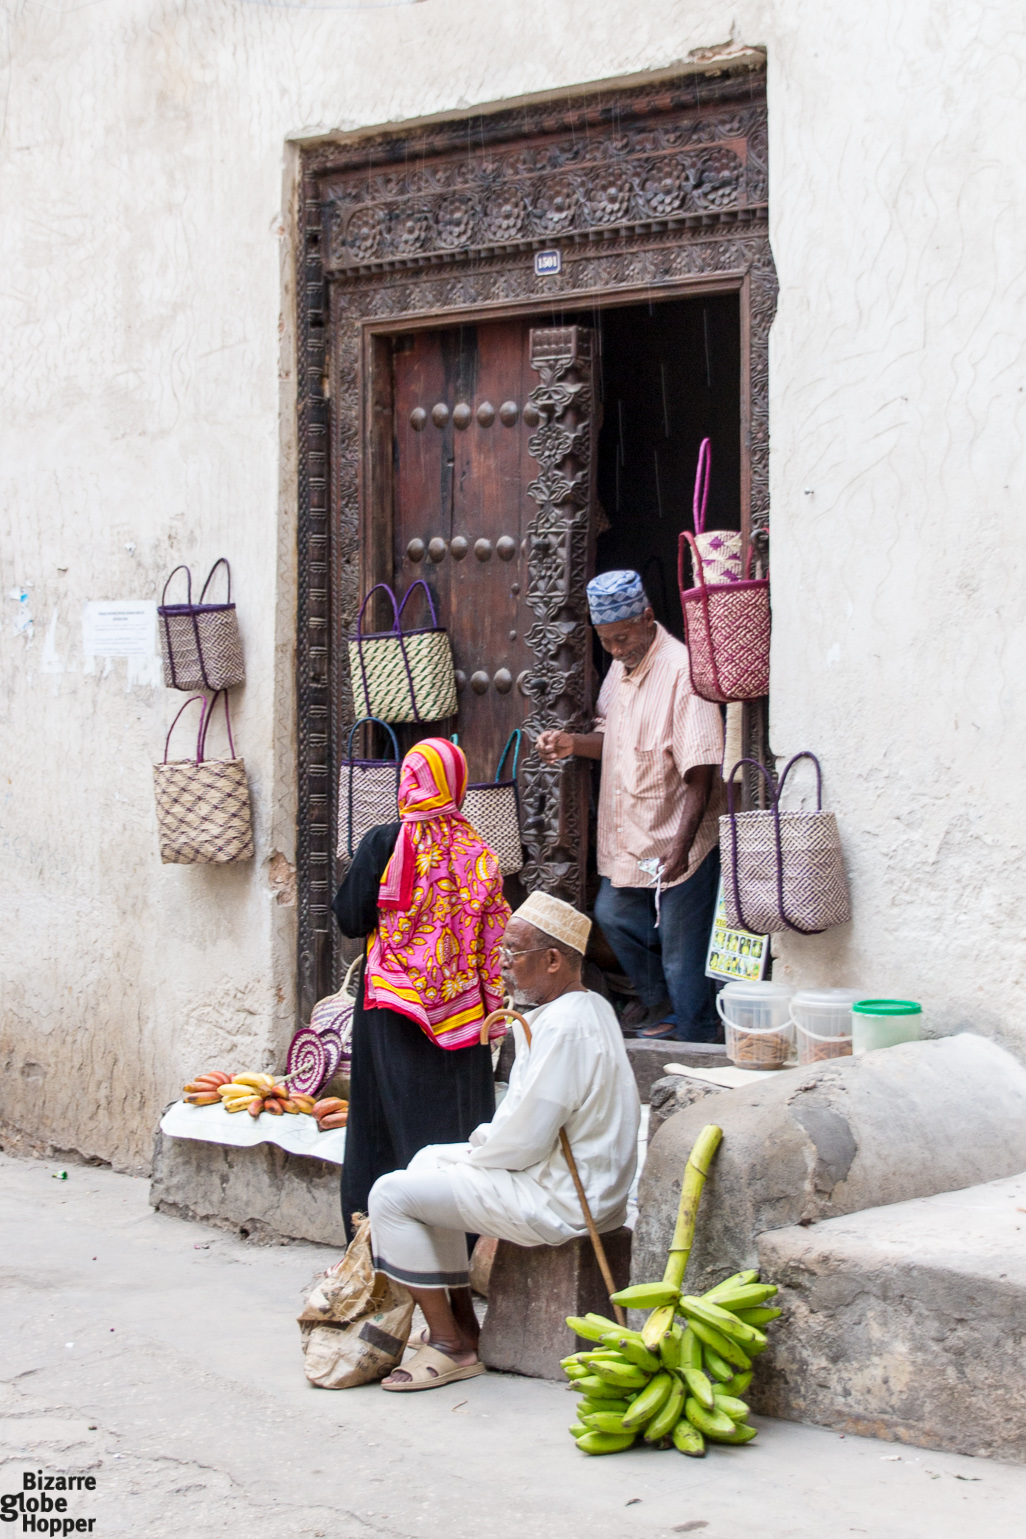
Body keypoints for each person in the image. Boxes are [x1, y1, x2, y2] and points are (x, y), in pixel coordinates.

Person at [367, 890, 640, 1392]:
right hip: (570, 1182)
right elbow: (524, 1133)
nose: (504, 966)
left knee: (389, 1195)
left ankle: (452, 1344)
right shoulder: (590, 1008)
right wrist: (481, 1148)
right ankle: (462, 1326)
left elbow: (522, 1143)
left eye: (513, 954)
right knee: (427, 1160)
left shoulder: (564, 1028)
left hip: (563, 1200)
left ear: (554, 960)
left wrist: (479, 1147)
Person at [332, 737, 511, 1239]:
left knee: (380, 1122)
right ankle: (463, 1243)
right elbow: (492, 940)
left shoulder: (384, 843)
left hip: (391, 1010)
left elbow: (350, 919)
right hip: (460, 1016)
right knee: (459, 1123)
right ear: (456, 785)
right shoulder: (479, 854)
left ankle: (378, 1241)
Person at [536, 569, 724, 1041]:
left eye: (621, 638)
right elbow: (614, 740)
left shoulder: (683, 671)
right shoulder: (620, 671)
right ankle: (663, 1009)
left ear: (647, 617)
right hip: (634, 836)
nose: (616, 650)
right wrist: (571, 744)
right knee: (615, 914)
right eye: (606, 641)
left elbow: (702, 771)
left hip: (678, 837)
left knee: (683, 949)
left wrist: (681, 847)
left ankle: (696, 1038)